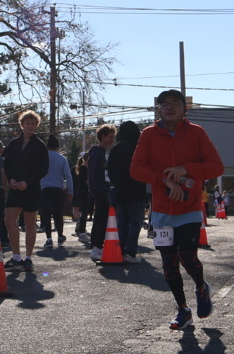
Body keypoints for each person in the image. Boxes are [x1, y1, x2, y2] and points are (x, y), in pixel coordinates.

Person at [131, 89, 224, 330]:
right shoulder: (148, 135)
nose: (170, 107)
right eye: (165, 104)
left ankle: (201, 287)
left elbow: (216, 166)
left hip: (189, 208)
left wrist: (186, 169)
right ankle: (183, 310)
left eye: (175, 103)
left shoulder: (197, 133)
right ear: (159, 109)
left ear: (185, 109)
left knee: (187, 257)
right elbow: (136, 169)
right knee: (168, 263)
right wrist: (164, 180)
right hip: (162, 212)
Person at [3, 110, 49, 272]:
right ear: (22, 125)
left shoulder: (40, 146)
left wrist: (28, 183)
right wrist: (11, 179)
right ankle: (16, 257)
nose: (30, 126)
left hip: (32, 189)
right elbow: (7, 164)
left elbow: (43, 169)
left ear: (36, 126)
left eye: (33, 124)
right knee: (9, 219)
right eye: (27, 123)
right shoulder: (13, 144)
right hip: (15, 188)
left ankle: (28, 258)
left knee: (30, 222)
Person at [107, 121, 146, 264]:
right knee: (135, 222)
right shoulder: (137, 148)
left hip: (120, 191)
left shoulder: (115, 150)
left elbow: (110, 171)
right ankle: (131, 252)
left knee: (122, 222)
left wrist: (117, 184)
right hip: (136, 190)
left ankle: (121, 251)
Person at [87, 123, 117, 261]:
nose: (111, 140)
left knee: (100, 218)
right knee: (101, 219)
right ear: (103, 137)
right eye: (110, 137)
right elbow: (93, 174)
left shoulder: (104, 153)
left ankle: (96, 245)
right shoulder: (96, 153)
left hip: (105, 190)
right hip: (100, 191)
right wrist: (97, 191)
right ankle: (97, 247)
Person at [40, 134, 74, 249]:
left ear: (47, 146)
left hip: (45, 189)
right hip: (58, 189)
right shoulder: (62, 159)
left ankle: (49, 238)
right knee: (58, 213)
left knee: (46, 213)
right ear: (58, 147)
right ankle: (60, 235)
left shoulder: (42, 157)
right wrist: (70, 191)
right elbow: (68, 176)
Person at [71, 153, 90, 240]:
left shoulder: (78, 168)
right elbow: (86, 181)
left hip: (78, 191)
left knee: (80, 210)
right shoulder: (84, 169)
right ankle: (82, 230)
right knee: (84, 212)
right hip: (83, 192)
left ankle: (79, 225)